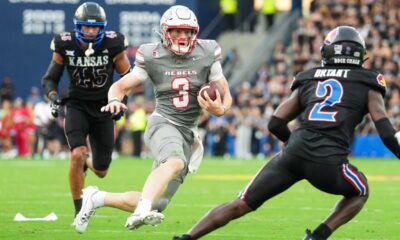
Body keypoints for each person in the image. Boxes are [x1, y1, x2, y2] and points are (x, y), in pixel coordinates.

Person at [173, 26, 400, 240]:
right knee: (360, 190)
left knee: (240, 203)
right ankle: (317, 236)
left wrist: (297, 146)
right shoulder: (369, 81)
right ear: (361, 55)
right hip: (329, 160)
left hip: (294, 152)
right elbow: (387, 133)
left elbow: (275, 123)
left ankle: (186, 237)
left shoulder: (310, 77)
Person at [73, 5, 233, 234]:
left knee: (159, 204)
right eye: (177, 31)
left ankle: (97, 198)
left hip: (188, 132)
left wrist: (221, 109)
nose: (183, 36)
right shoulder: (153, 55)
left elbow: (226, 92)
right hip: (164, 123)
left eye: (188, 31)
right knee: (174, 163)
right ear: (165, 32)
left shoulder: (207, 52)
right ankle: (142, 210)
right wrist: (114, 99)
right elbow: (120, 86)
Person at [41, 2, 131, 220]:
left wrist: (119, 102)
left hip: (104, 106)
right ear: (77, 26)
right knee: (76, 153)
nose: (90, 32)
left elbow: (128, 78)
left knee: (101, 170)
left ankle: (87, 162)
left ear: (103, 28)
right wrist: (53, 99)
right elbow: (50, 79)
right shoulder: (65, 44)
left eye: (95, 27)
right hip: (77, 105)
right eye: (86, 27)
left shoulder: (114, 43)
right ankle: (79, 210)